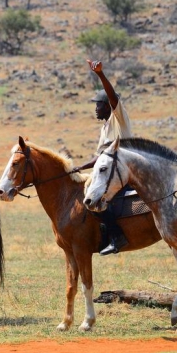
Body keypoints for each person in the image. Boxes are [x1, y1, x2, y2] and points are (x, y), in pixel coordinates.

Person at [73, 60, 133, 255]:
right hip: (109, 168)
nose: (96, 109)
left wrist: (100, 74)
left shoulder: (119, 118)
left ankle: (118, 237)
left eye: (98, 105)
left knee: (97, 195)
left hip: (122, 167)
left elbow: (113, 96)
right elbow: (100, 157)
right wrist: (79, 167)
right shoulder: (105, 127)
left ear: (108, 106)